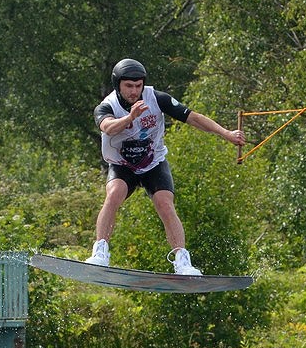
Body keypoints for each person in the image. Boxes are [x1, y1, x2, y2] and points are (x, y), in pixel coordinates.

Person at [85, 58, 244, 275]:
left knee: (165, 203)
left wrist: (226, 133)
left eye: (138, 85)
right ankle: (100, 252)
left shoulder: (157, 99)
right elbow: (108, 128)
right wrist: (130, 117)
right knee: (114, 193)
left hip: (153, 162)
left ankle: (182, 260)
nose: (134, 91)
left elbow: (193, 118)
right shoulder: (107, 105)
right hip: (123, 165)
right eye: (128, 86)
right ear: (118, 85)